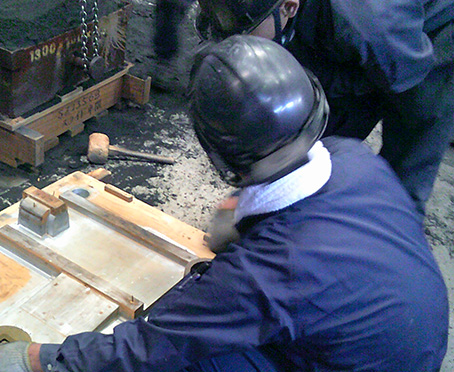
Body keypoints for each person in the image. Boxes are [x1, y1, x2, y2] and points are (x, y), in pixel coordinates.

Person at [0, 36, 449, 372]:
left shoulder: (267, 274)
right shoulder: (351, 158)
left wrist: (35, 359)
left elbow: (148, 348)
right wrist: (243, 214)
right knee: (211, 308)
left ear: (220, 158)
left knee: (188, 361)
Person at [195, 0, 454, 216]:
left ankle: (387, 243)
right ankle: (283, 214)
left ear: (288, 7)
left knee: (404, 176)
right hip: (368, 33)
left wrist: (318, 80)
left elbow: (403, 75)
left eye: (245, 32)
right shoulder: (278, 12)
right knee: (308, 132)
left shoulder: (368, 25)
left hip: (424, 48)